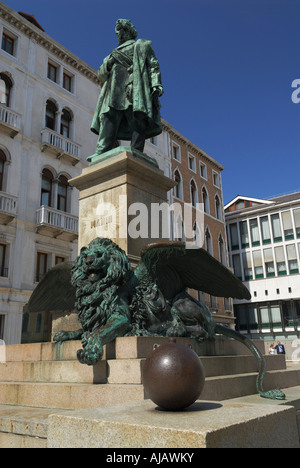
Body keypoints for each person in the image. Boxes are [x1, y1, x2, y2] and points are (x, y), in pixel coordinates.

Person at [88, 19, 164, 161]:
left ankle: (136, 150)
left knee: (136, 118)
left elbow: (153, 66)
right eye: (118, 31)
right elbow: (101, 75)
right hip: (113, 89)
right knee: (109, 117)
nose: (120, 34)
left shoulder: (141, 46)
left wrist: (156, 84)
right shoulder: (111, 54)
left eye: (122, 30)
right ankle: (101, 150)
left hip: (134, 86)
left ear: (129, 31)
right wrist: (109, 63)